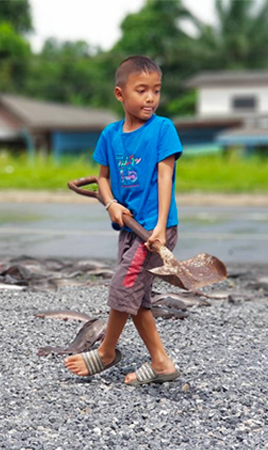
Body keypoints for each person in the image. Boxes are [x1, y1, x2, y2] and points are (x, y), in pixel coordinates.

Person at [63, 55, 183, 385]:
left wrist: (159, 226)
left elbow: (165, 175)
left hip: (153, 230)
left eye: (156, 91)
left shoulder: (163, 129)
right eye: (141, 90)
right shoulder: (110, 136)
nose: (150, 98)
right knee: (137, 298)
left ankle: (106, 352)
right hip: (129, 230)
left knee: (123, 286)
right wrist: (111, 204)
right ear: (120, 94)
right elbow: (102, 179)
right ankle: (161, 363)